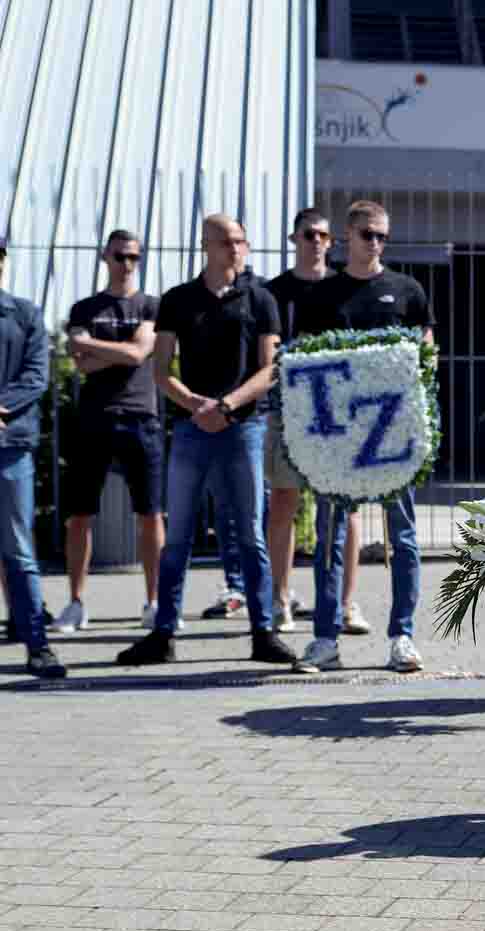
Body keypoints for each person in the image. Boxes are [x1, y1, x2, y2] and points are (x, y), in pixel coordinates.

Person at [116, 215, 295, 667]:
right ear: (206, 246)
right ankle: (163, 632)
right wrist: (196, 405)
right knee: (177, 537)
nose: (235, 249)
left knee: (251, 535)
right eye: (226, 241)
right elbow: (160, 370)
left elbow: (269, 369)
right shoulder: (178, 300)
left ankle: (263, 632)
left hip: (243, 429)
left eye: (240, 241)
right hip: (192, 429)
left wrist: (229, 405)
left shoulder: (261, 300)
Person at [293, 200, 434, 675]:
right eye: (368, 234)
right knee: (331, 538)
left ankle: (403, 637)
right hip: (337, 441)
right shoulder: (321, 296)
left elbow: (427, 356)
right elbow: (304, 364)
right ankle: (324, 639)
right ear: (346, 238)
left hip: (393, 437)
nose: (376, 243)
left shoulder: (406, 290)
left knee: (405, 538)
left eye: (382, 236)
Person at [263, 208, 368, 636]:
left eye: (324, 235)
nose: (317, 242)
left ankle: (346, 603)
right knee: (284, 502)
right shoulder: (274, 292)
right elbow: (267, 351)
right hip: (289, 407)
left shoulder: (345, 288)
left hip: (338, 412)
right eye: (309, 235)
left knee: (347, 509)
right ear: (294, 238)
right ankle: (278, 598)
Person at [53, 231, 164, 633]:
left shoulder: (152, 304)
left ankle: (154, 602)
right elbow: (80, 364)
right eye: (120, 256)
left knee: (150, 514)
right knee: (81, 514)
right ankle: (76, 602)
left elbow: (138, 353)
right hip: (95, 419)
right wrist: (119, 353)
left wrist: (94, 347)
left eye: (134, 257)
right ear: (105, 256)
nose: (127, 264)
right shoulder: (85, 307)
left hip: (141, 416)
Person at [0, 237, 67, 678]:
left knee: (19, 549)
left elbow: (36, 376)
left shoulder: (24, 314)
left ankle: (37, 646)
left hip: (10, 448)